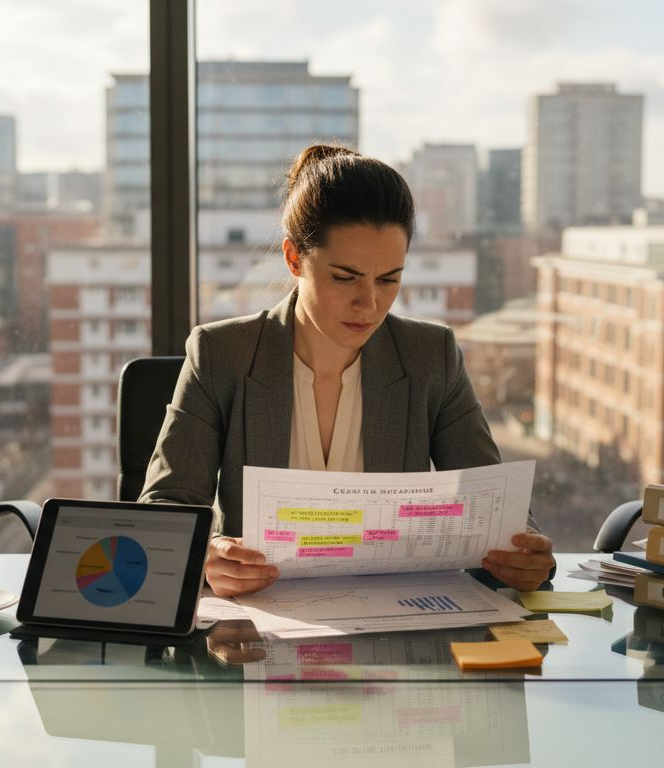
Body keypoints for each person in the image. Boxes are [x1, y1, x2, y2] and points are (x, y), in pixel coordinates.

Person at [139, 144, 555, 596]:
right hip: (259, 629)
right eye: (345, 277)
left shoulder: (430, 356)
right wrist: (208, 555)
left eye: (388, 279)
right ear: (294, 258)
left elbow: (489, 501)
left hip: (391, 629)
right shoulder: (222, 354)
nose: (369, 304)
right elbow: (166, 510)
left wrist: (524, 553)